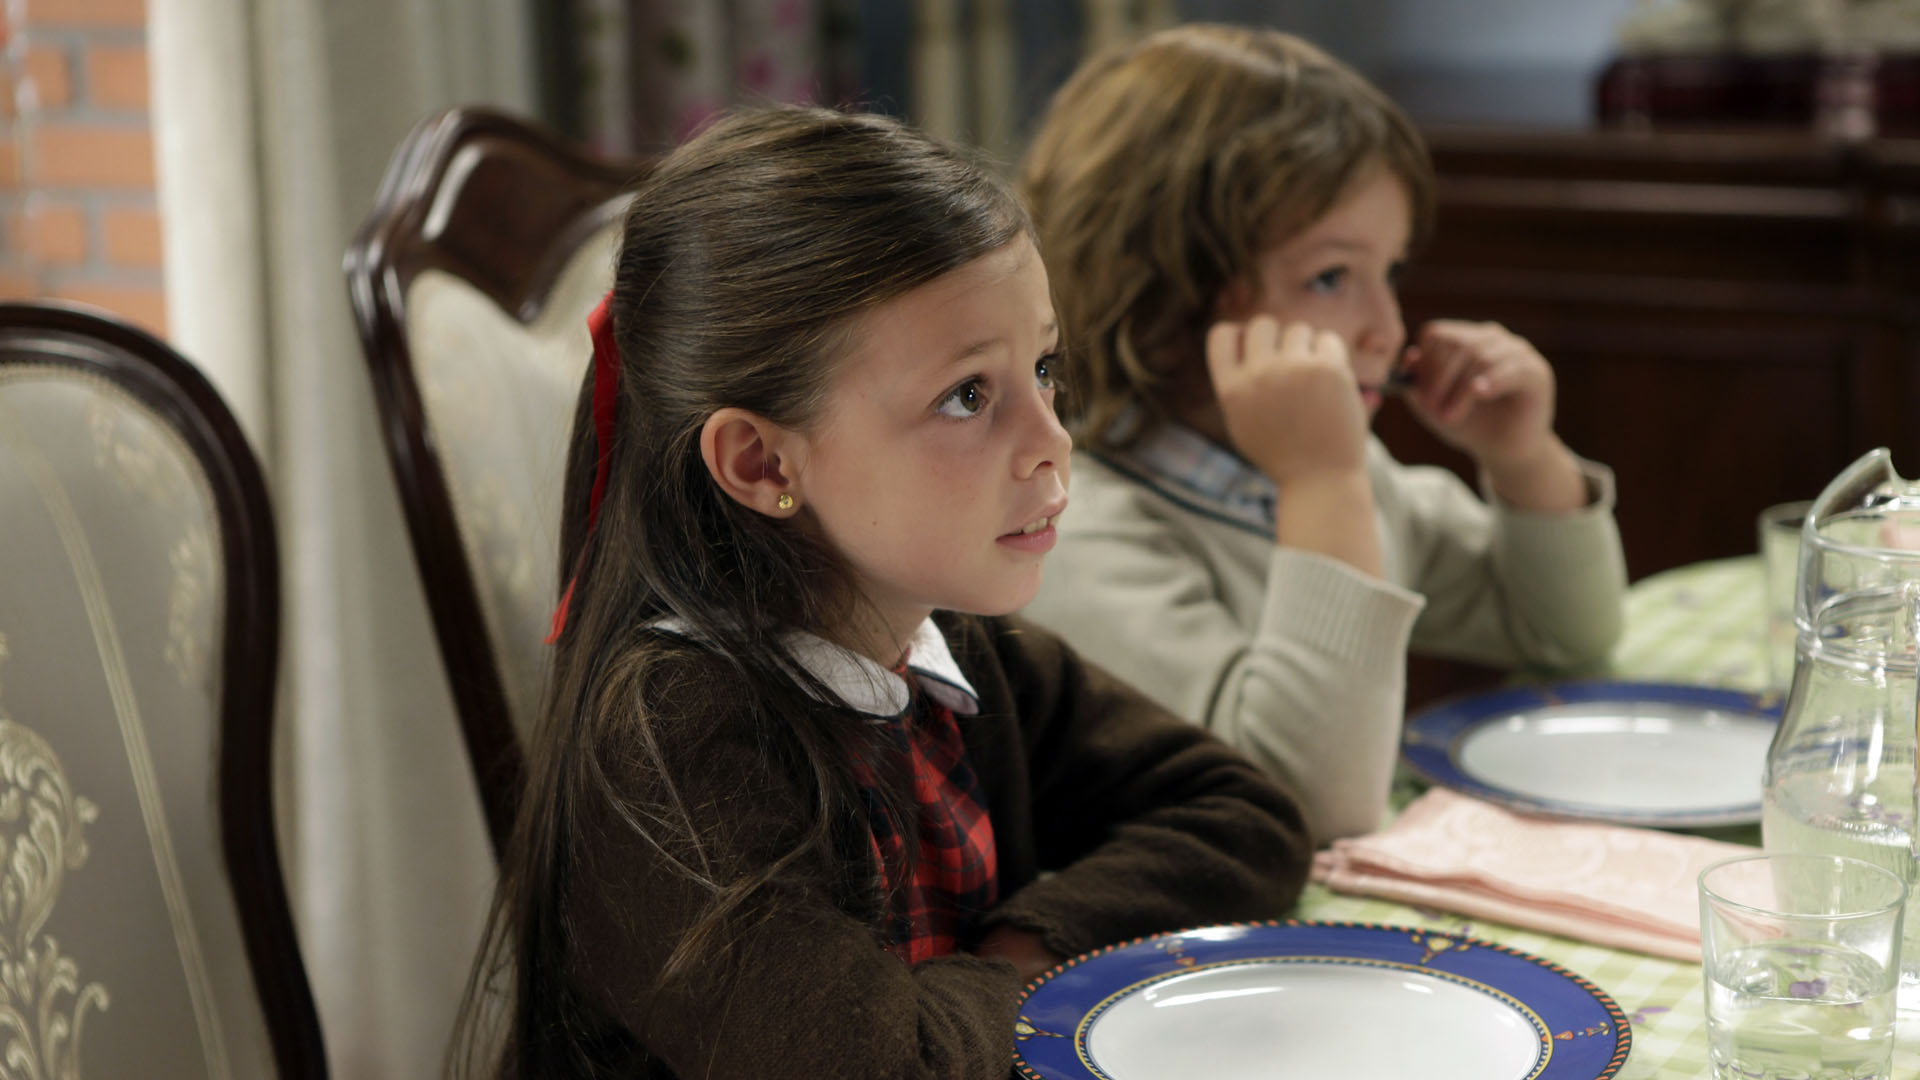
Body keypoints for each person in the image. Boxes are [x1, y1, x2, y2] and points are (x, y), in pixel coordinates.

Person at [450, 105, 1311, 1080]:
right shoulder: (671, 744)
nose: (1052, 441)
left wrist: (1027, 944)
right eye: (967, 397)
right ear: (762, 461)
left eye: (1043, 369)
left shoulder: (947, 650)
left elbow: (1246, 815)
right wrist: (1024, 990)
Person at [1017, 25, 1627, 845]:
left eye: (1392, 271)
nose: (1388, 327)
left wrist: (1522, 457)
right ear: (1162, 302)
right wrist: (1322, 485)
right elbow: (1307, 805)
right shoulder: (1077, 538)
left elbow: (1566, 633)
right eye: (1332, 277)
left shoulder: (1346, 472)